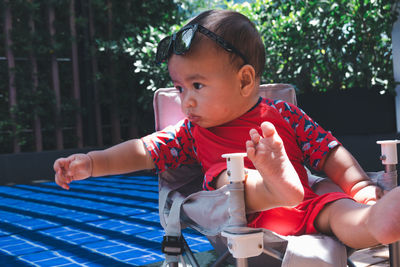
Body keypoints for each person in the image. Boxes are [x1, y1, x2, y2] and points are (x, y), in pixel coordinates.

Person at [54, 9, 400, 249]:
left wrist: (360, 187)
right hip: (247, 218)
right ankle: (276, 186)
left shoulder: (283, 114)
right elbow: (143, 150)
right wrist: (94, 162)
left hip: (307, 205)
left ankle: (375, 222)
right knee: (224, 177)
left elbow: (328, 152)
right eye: (179, 88)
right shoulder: (190, 133)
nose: (186, 101)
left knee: (341, 211)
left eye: (197, 86)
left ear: (245, 80)